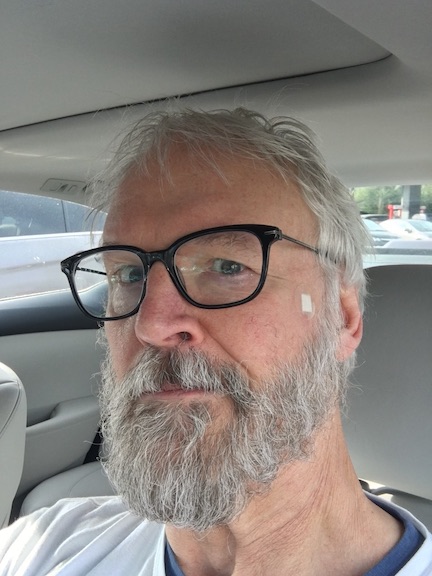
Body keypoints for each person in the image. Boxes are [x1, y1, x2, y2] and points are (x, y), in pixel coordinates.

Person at [1, 108, 431, 575]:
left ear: (342, 318)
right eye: (128, 274)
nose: (151, 325)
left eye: (227, 267)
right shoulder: (42, 548)